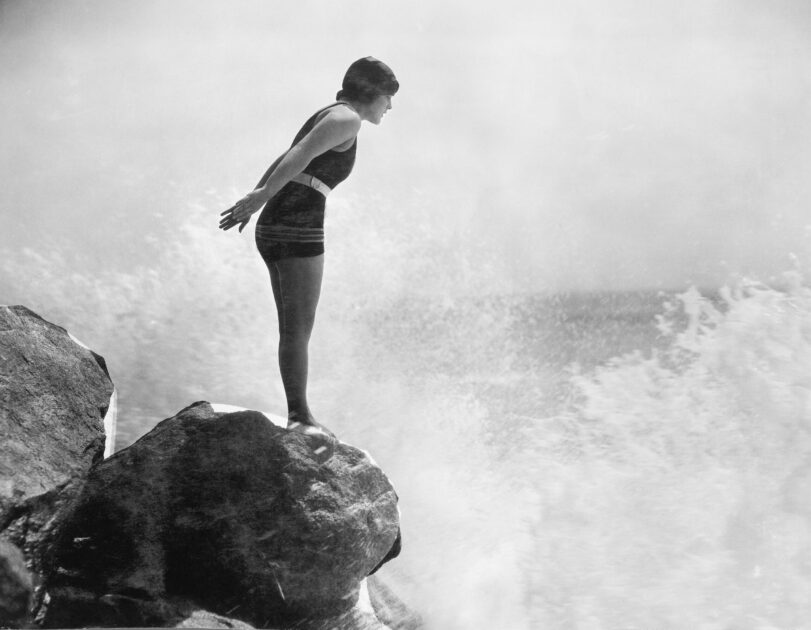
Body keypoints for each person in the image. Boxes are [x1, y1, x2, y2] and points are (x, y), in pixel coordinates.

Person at [219, 57, 399, 437]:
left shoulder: (332, 114)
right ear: (372, 93)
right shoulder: (346, 119)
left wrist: (259, 199)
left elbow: (291, 154)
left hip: (277, 222)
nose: (390, 106)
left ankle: (298, 414)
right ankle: (300, 417)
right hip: (297, 223)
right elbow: (298, 156)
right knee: (298, 329)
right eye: (388, 97)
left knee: (291, 328)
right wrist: (259, 197)